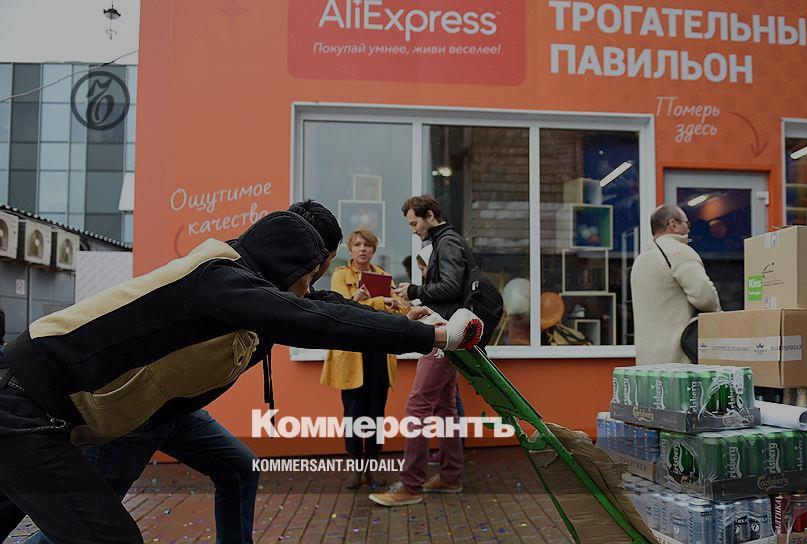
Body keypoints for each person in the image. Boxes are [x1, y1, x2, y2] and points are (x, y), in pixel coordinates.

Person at [0, 210, 483, 543]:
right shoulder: (220, 279)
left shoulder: (244, 281)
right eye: (309, 275)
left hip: (111, 409)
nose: (310, 286)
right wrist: (434, 338)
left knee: (235, 468)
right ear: (288, 265)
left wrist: (405, 319)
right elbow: (308, 318)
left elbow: (323, 307)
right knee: (102, 533)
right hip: (28, 407)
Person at [23, 200, 349, 544]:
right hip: (134, 414)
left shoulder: (277, 284)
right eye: (323, 263)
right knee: (81, 529)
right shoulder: (239, 282)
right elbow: (315, 318)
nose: (317, 277)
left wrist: (385, 318)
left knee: (239, 469)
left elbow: (322, 310)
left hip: (178, 410)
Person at [370, 195, 473, 507]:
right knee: (445, 406)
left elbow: (451, 288)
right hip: (450, 333)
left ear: (430, 215)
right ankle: (450, 476)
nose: (413, 230)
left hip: (444, 334)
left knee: (418, 405)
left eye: (415, 223)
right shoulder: (446, 241)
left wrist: (414, 290)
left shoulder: (447, 242)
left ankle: (411, 485)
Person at [323, 228, 408, 489]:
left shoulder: (382, 276)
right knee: (353, 413)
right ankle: (356, 469)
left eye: (367, 245)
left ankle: (372, 468)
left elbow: (401, 311)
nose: (363, 249)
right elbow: (340, 311)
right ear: (350, 249)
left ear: (373, 250)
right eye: (358, 245)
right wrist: (377, 302)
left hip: (378, 352)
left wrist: (371, 302)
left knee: (375, 413)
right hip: (352, 354)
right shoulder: (340, 274)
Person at [630, 204, 721, 365]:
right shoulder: (679, 252)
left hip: (647, 362)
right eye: (687, 223)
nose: (689, 229)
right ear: (673, 224)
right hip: (678, 362)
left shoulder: (640, 260)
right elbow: (705, 298)